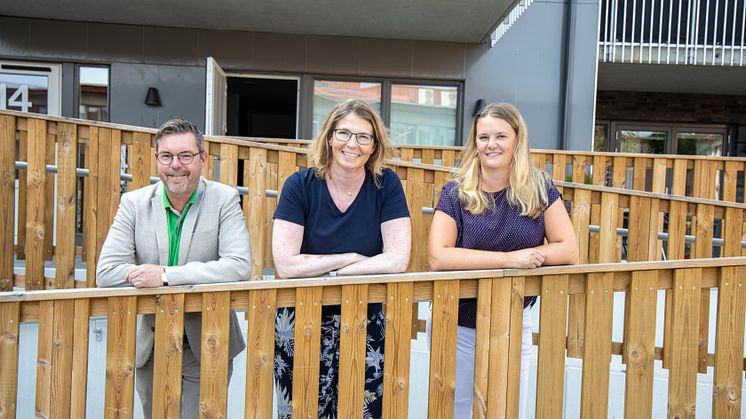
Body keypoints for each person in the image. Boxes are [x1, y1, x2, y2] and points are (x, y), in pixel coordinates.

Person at [427, 103, 578, 418]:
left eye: (500, 136)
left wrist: (532, 258)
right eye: (483, 137)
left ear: (517, 141)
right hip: (458, 323)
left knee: (508, 409)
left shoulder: (540, 188)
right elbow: (438, 257)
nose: (491, 144)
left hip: (514, 321)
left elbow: (568, 250)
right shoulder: (455, 192)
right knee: (458, 411)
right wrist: (509, 260)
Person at [96, 118, 252, 418]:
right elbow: (106, 272)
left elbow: (239, 265)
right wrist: (141, 275)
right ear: (157, 160)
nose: (175, 165)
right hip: (151, 343)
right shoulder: (133, 203)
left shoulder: (225, 199)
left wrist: (165, 276)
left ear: (203, 159)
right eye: (166, 156)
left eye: (185, 156)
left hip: (208, 339)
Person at [272, 99, 411, 419]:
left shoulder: (386, 185)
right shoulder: (299, 185)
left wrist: (328, 272)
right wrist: (347, 259)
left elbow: (397, 259)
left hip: (364, 317)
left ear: (375, 145)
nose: (353, 144)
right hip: (302, 318)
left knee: (362, 412)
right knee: (301, 412)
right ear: (329, 137)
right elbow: (286, 265)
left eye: (364, 137)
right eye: (344, 133)